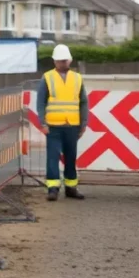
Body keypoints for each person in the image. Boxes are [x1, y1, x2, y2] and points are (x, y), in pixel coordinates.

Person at [36, 44, 89, 201]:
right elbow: (40, 102)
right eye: (59, 61)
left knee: (71, 157)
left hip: (72, 125)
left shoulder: (77, 78)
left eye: (64, 60)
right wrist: (43, 123)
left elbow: (83, 102)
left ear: (70, 60)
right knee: (53, 157)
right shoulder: (47, 77)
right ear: (54, 61)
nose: (62, 63)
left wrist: (83, 123)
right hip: (53, 125)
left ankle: (71, 187)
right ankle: (53, 189)